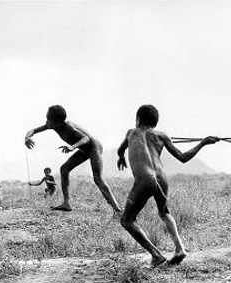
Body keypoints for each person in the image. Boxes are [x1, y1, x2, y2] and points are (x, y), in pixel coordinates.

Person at [117, 104, 219, 267]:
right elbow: (183, 157)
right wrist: (203, 142)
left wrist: (121, 157)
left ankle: (156, 255)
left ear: (137, 119)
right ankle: (180, 249)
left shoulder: (131, 132)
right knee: (164, 212)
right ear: (155, 122)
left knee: (127, 221)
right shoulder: (162, 136)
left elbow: (121, 149)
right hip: (161, 178)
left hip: (144, 179)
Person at [25, 105, 121, 213]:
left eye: (49, 120)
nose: (46, 122)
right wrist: (27, 138)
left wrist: (73, 147)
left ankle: (117, 209)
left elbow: (86, 138)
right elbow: (33, 130)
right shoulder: (52, 125)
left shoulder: (69, 127)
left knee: (97, 178)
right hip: (83, 150)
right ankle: (67, 203)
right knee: (64, 169)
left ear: (58, 122)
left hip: (94, 147)